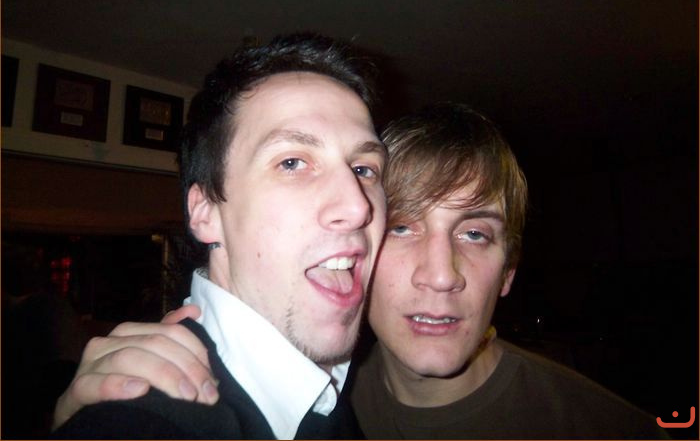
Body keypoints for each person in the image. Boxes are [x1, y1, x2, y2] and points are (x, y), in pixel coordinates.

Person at [54, 104, 666, 439]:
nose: (440, 276)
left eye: (475, 234)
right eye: (402, 228)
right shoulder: (313, 393)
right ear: (357, 250)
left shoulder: (611, 430)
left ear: (507, 272)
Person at [53, 32, 388, 439]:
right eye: (292, 163)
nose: (357, 207)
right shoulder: (139, 422)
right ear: (206, 211)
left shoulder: (336, 392)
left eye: (364, 169)